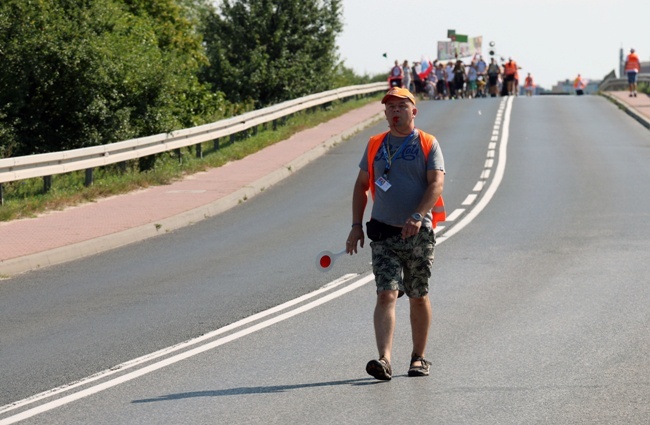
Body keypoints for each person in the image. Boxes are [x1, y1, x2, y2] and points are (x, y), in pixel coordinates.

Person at [345, 87, 446, 381]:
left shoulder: (428, 143)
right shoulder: (376, 144)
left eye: (401, 106)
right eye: (390, 107)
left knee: (417, 295)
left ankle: (418, 358)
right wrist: (355, 225)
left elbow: (436, 184)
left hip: (417, 234)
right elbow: (361, 185)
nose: (395, 111)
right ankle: (384, 360)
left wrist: (418, 215)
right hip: (383, 233)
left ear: (413, 111)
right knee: (386, 293)